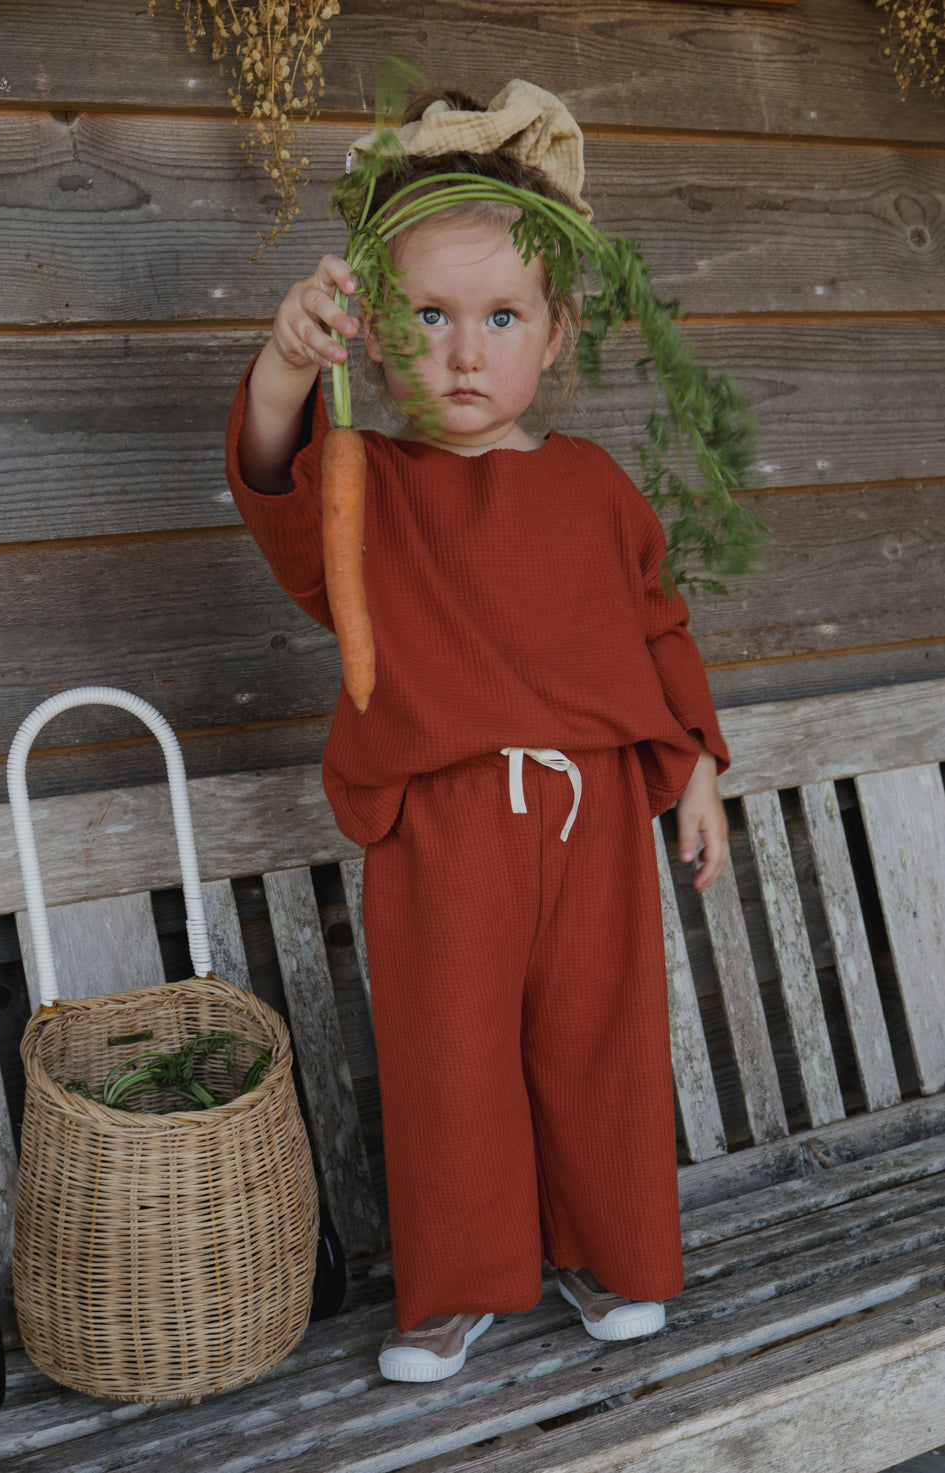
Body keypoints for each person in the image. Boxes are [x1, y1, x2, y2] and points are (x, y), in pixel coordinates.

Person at [225, 81, 730, 1384]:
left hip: (593, 819)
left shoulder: (593, 489)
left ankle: (598, 1251)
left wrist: (691, 771)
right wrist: (288, 366)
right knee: (448, 1055)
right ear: (381, 336)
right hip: (444, 831)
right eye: (429, 318)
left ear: (555, 331)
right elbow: (281, 502)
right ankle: (455, 1287)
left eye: (499, 317)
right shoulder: (368, 487)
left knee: (595, 1046)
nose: (462, 353)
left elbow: (657, 633)